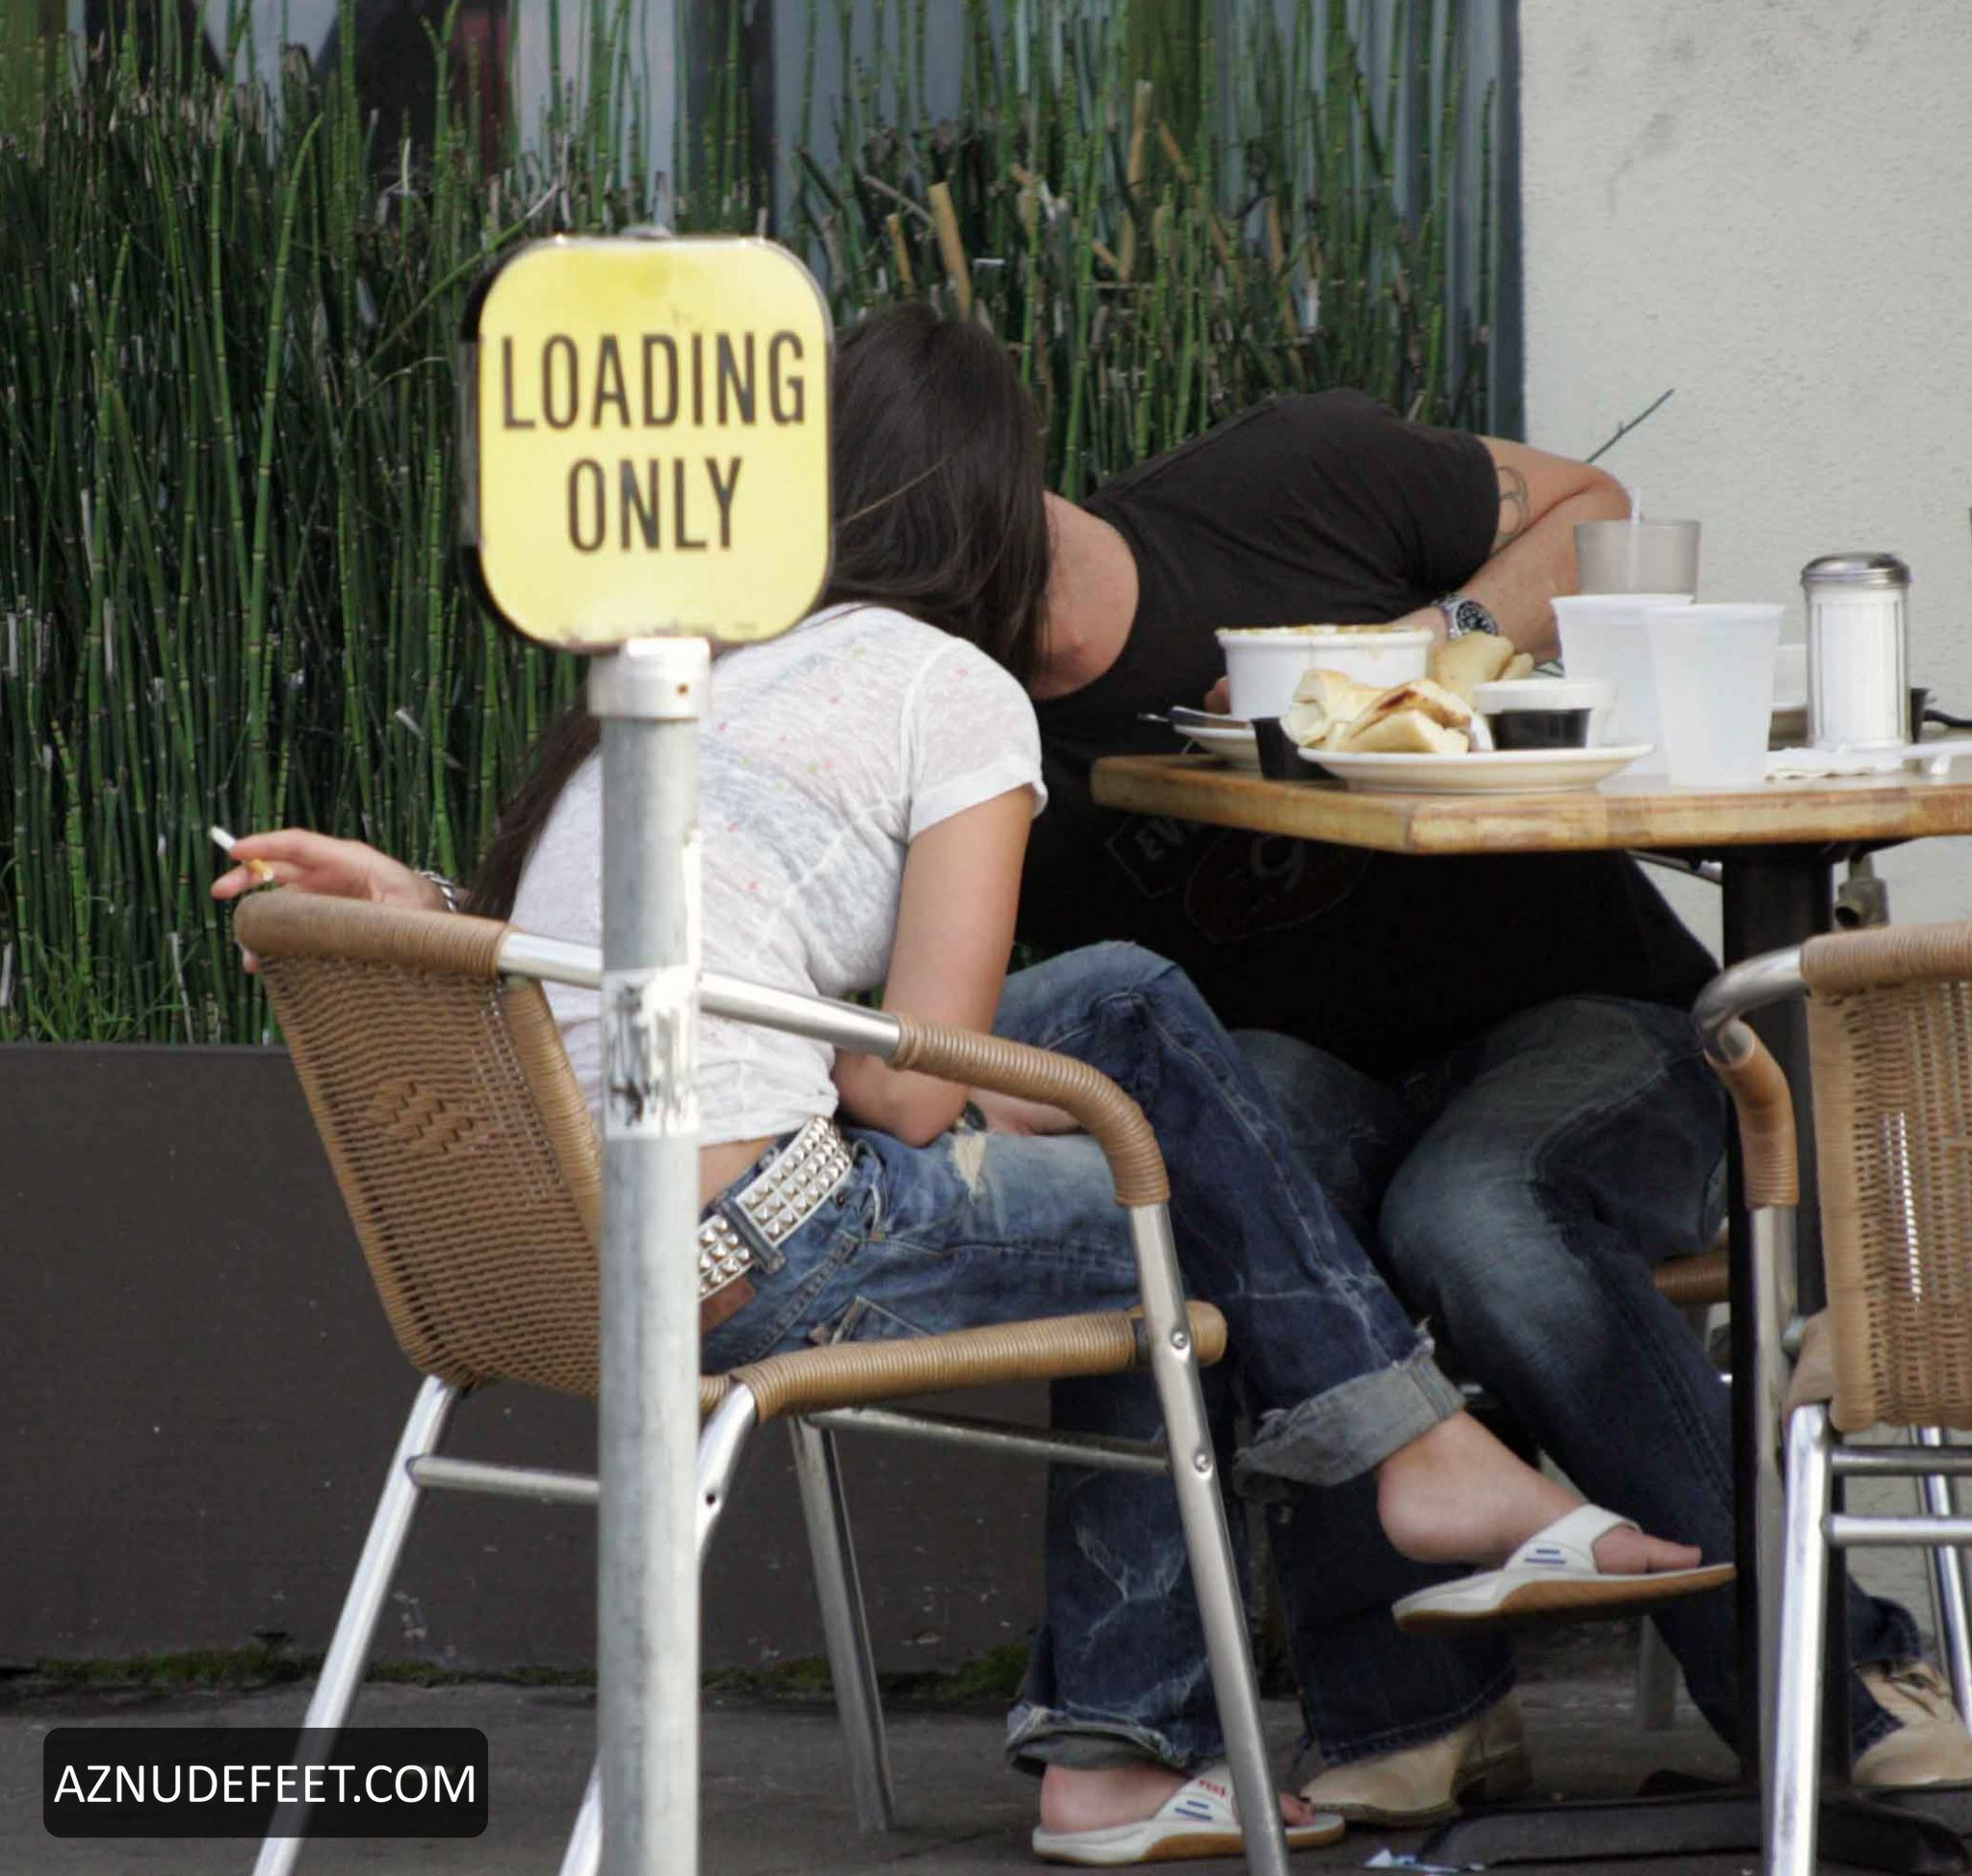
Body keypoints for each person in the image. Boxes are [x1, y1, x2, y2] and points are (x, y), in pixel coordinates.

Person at [216, 306, 1725, 1866]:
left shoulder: (687, 680)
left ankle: (1313, 1589)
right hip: (761, 1249)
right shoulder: (950, 691)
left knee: (1129, 1062)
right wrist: (1016, 1093)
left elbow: (653, 981)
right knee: (1162, 1188)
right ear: (1004, 512)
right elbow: (911, 1099)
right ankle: (1289, 1580)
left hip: (563, 1261)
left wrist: (423, 903)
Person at [1023, 380, 1964, 1804]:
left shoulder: (1287, 479)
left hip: (1591, 1024)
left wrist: (1424, 652)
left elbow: (1592, 509)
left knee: (1472, 1210)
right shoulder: (965, 713)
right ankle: (1413, 1713)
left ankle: (1833, 1679)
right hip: (1322, 1080)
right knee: (1231, 1161)